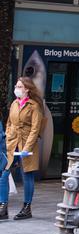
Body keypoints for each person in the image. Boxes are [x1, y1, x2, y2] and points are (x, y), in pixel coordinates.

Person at [0, 76, 44, 221]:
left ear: (27, 89)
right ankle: (3, 207)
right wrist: (7, 136)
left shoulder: (34, 106)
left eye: (19, 87)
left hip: (27, 144)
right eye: (16, 86)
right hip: (12, 143)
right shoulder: (14, 103)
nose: (16, 89)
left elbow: (35, 128)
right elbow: (9, 123)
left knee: (27, 175)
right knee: (4, 174)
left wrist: (27, 147)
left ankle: (27, 207)